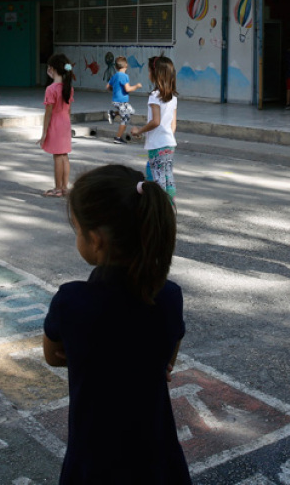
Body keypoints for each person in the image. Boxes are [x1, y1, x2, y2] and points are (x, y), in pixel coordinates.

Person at [43, 164, 189, 484]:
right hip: (156, 456)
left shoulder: (72, 301)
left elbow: (53, 355)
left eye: (78, 230)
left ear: (96, 241)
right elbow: (167, 361)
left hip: (95, 457)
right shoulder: (169, 296)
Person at [131, 56, 178, 201]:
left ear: (155, 73)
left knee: (157, 180)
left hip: (157, 145)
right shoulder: (173, 97)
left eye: (149, 71)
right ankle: (170, 205)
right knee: (167, 175)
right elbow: (173, 125)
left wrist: (139, 131)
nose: (148, 74)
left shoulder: (154, 96)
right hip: (169, 143)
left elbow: (155, 121)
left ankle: (159, 208)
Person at [39, 54, 73, 197]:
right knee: (64, 156)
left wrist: (44, 133)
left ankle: (57, 188)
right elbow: (69, 109)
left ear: (51, 69)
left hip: (56, 124)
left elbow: (48, 113)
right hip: (66, 123)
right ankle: (64, 187)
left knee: (57, 157)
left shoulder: (51, 89)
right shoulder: (68, 88)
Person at [105, 56, 142, 144]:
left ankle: (113, 113)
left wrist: (113, 90)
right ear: (126, 65)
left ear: (116, 67)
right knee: (125, 118)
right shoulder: (125, 76)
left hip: (116, 101)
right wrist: (137, 86)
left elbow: (107, 87)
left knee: (131, 111)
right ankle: (118, 138)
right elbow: (128, 89)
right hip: (121, 102)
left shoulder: (115, 76)